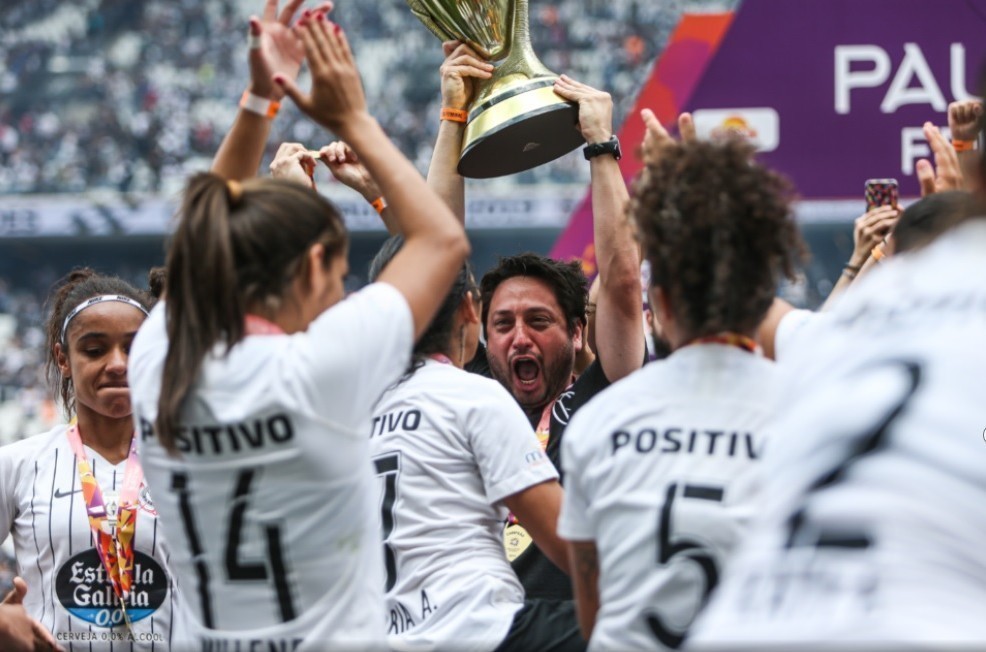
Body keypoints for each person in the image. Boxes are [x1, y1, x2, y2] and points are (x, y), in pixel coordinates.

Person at [128, 11, 469, 652]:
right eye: (338, 275)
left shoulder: (160, 362)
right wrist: (352, 120)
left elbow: (201, 230)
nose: (341, 293)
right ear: (313, 264)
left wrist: (260, 98)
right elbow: (443, 241)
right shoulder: (323, 366)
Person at [686, 77, 986, 649]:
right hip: (923, 624)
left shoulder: (844, 327)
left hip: (750, 626)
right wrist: (968, 162)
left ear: (891, 256)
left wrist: (691, 196)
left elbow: (745, 305)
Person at [557, 122, 804, 650]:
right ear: (762, 297)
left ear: (662, 306)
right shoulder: (814, 415)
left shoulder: (598, 423)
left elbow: (593, 613)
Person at [432, 44, 644, 601]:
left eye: (539, 320)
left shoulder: (605, 394)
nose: (519, 337)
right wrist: (453, 116)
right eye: (502, 323)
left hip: (575, 627)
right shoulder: (473, 388)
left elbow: (623, 280)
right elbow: (435, 263)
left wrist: (601, 145)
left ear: (577, 333)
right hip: (478, 628)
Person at [367, 237, 583, 651]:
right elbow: (569, 544)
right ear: (470, 310)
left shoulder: (359, 413)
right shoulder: (475, 396)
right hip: (479, 627)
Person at [0, 269, 173, 650]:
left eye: (133, 348)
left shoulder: (191, 466)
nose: (118, 364)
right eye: (94, 351)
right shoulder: (16, 465)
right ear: (62, 358)